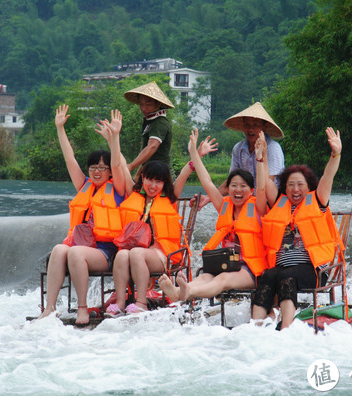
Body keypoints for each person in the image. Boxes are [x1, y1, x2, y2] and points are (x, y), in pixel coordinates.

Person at [101, 117, 218, 317]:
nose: (153, 185)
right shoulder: (133, 194)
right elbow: (119, 165)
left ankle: (141, 302)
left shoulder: (169, 198)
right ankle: (120, 303)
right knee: (121, 254)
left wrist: (196, 154)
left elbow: (183, 174)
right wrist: (114, 138)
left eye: (158, 181)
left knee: (136, 253)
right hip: (135, 252)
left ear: (164, 184)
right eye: (149, 180)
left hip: (163, 256)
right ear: (142, 179)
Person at [158, 128, 269, 303]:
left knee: (222, 280)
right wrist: (194, 152)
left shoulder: (259, 207)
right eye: (233, 186)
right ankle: (181, 291)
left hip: (250, 270)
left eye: (243, 187)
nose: (237, 190)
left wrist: (261, 157)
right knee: (204, 276)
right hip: (225, 263)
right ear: (228, 189)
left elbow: (263, 187)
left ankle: (185, 293)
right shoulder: (225, 205)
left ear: (251, 190)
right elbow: (207, 182)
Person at [38, 105, 125, 326]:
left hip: (106, 252)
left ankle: (82, 309)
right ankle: (49, 308)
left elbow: (116, 163)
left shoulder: (118, 189)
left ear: (109, 172)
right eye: (93, 167)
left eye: (102, 168)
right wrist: (60, 129)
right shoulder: (84, 185)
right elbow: (69, 159)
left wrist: (114, 137)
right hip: (81, 246)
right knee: (59, 249)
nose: (97, 171)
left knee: (75, 252)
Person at [251, 127, 343, 329]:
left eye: (300, 184)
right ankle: (254, 327)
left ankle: (286, 327)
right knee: (267, 275)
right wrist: (261, 157)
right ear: (285, 187)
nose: (295, 189)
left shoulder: (317, 200)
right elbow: (265, 181)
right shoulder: (279, 202)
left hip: (314, 270)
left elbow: (328, 176)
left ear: (308, 187)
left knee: (286, 276)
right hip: (282, 266)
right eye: (291, 184)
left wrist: (335, 154)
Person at [197, 102, 285, 209]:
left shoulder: (273, 148)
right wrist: (209, 197)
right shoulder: (238, 148)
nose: (250, 129)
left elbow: (267, 183)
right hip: (247, 200)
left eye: (255, 125)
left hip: (269, 202)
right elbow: (231, 181)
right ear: (243, 126)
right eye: (247, 125)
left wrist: (262, 154)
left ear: (264, 127)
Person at [123, 81, 175, 176]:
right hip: (149, 173)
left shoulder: (160, 122)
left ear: (157, 104)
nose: (144, 108)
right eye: (141, 104)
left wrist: (131, 166)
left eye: (148, 104)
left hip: (161, 175)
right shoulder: (150, 121)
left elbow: (152, 146)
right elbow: (147, 155)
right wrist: (138, 176)